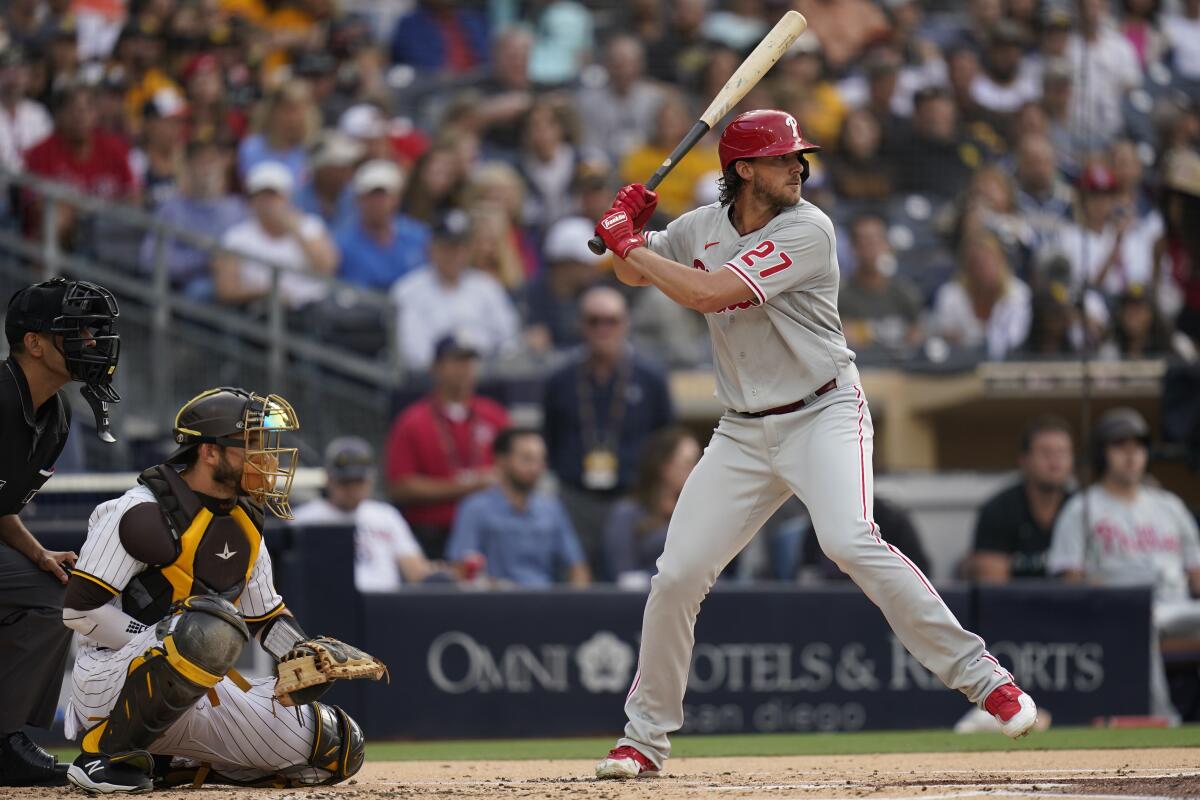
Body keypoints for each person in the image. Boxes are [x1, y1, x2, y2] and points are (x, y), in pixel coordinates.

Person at [590, 109, 1037, 780]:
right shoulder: (699, 228)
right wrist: (629, 229)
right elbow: (634, 276)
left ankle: (986, 680)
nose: (798, 166)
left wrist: (630, 245)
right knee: (677, 574)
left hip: (822, 410)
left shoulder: (810, 228)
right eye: (781, 158)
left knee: (849, 540)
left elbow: (710, 294)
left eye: (800, 156)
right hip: (742, 428)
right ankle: (644, 740)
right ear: (742, 169)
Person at [60, 387, 369, 791]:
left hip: (199, 688)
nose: (268, 458)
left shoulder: (245, 520)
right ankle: (105, 756)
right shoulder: (137, 512)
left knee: (338, 747)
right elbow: (80, 610)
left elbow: (266, 618)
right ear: (209, 452)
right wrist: (162, 638)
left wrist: (302, 657)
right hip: (108, 683)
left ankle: (175, 765)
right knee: (203, 627)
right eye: (253, 445)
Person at [0, 279, 120, 788]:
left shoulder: (58, 415)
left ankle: (4, 741)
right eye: (78, 331)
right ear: (34, 342)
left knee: (54, 591)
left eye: (95, 332)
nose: (92, 343)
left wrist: (36, 550)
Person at [1047, 408, 1200, 725]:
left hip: (1178, 605)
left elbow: (1196, 573)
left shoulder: (1169, 505)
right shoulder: (1083, 508)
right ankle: (1162, 720)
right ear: (1103, 454)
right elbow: (1070, 580)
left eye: (1138, 446)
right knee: (1139, 622)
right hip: (1124, 612)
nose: (1131, 456)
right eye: (1120, 446)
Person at [542, 286, 674, 572]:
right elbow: (549, 437)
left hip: (633, 498)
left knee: (629, 583)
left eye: (611, 320)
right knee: (576, 579)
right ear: (580, 324)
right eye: (593, 321)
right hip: (575, 498)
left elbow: (665, 441)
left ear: (626, 324)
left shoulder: (650, 379)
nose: (603, 328)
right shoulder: (560, 379)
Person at [384, 334, 510, 558]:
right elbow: (400, 487)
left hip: (491, 534)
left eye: (469, 361)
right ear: (436, 367)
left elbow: (515, 468)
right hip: (433, 534)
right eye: (456, 361)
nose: (464, 369)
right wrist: (468, 486)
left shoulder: (495, 416)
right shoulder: (413, 421)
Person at [446, 427, 590, 588]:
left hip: (546, 603)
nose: (536, 468)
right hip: (493, 602)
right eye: (527, 459)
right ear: (501, 461)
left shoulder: (552, 509)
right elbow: (460, 568)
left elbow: (577, 565)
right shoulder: (475, 508)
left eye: (541, 459)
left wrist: (575, 604)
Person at [292, 436, 435, 592]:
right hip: (327, 603)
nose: (353, 490)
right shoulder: (303, 519)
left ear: (370, 480)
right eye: (346, 482)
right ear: (329, 479)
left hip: (384, 605)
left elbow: (417, 572)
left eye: (358, 481)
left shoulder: (387, 516)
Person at [389, 210, 519, 371]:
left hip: (488, 378)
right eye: (447, 247)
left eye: (460, 248)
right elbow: (414, 354)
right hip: (431, 383)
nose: (454, 255)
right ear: (431, 248)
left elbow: (509, 338)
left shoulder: (487, 287)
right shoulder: (407, 290)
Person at [213, 161, 338, 312]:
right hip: (262, 311)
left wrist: (294, 229)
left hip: (313, 309)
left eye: (274, 195)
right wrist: (268, 292)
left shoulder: (310, 226)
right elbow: (226, 290)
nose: (268, 203)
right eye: (261, 196)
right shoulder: (236, 236)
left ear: (287, 197)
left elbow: (326, 268)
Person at [970, 417, 1074, 582]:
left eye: (1062, 452)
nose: (1055, 461)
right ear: (1023, 460)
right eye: (1045, 452)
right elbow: (992, 588)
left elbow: (1087, 582)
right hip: (1012, 606)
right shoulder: (999, 509)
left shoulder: (1081, 507)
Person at [139, 137, 245, 298]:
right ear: (187, 167)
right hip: (190, 291)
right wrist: (204, 259)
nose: (207, 169)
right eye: (200, 162)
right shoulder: (171, 210)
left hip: (240, 285)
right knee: (199, 290)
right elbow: (150, 260)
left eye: (212, 161)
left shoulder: (237, 208)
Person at [603, 427, 700, 584]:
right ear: (664, 466)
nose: (696, 471)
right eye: (688, 463)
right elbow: (625, 577)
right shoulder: (627, 513)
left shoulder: (700, 513)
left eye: (699, 463)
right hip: (643, 601)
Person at [932, 232, 1032, 360]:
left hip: (1007, 363)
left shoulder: (1018, 293)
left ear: (1001, 261)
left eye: (990, 262)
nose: (984, 268)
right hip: (959, 365)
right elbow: (945, 336)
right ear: (968, 268)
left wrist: (967, 338)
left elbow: (1013, 339)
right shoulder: (950, 294)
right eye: (977, 264)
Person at [838, 214, 924, 359]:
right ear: (854, 249)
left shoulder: (904, 292)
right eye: (866, 242)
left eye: (878, 240)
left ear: (887, 245)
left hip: (900, 373)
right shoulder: (841, 296)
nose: (873, 248)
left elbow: (918, 334)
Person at [335, 159, 431, 290]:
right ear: (357, 200)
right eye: (370, 196)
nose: (377, 203)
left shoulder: (419, 236)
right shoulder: (343, 244)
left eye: (383, 196)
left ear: (396, 199)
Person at [520, 215, 601, 354]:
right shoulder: (529, 296)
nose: (593, 268)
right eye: (584, 263)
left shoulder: (597, 295)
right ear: (564, 264)